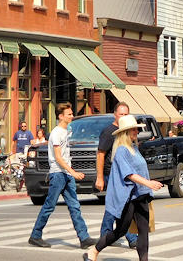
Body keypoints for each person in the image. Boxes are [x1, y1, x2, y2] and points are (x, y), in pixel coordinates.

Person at [84, 114, 164, 261]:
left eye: (136, 129)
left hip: (141, 195)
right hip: (128, 197)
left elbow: (139, 169)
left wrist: (147, 186)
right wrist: (149, 183)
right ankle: (94, 251)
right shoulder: (121, 150)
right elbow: (129, 174)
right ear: (125, 132)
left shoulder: (134, 148)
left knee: (143, 231)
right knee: (120, 231)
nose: (136, 132)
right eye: (133, 129)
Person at [28, 102, 97, 249]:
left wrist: (70, 172)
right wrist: (72, 172)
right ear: (61, 116)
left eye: (72, 114)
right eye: (69, 114)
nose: (72, 116)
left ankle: (84, 238)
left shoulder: (66, 131)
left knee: (74, 206)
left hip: (66, 174)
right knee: (49, 205)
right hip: (58, 174)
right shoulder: (56, 133)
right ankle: (35, 235)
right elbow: (58, 157)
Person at [95, 101, 138, 249]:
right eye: (121, 114)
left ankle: (108, 235)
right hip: (111, 174)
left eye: (126, 114)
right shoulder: (109, 132)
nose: (123, 117)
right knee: (118, 205)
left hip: (125, 175)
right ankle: (125, 237)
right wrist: (100, 177)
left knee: (123, 205)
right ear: (115, 115)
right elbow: (100, 154)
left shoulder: (128, 131)